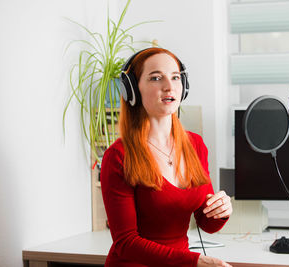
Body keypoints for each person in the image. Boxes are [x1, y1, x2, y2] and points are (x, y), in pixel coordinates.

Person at [100, 47, 233, 267]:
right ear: (132, 89)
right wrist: (194, 261)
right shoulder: (118, 156)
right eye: (155, 78)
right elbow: (126, 243)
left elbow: (205, 223)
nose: (169, 86)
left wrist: (221, 211)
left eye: (175, 77)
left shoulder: (195, 145)